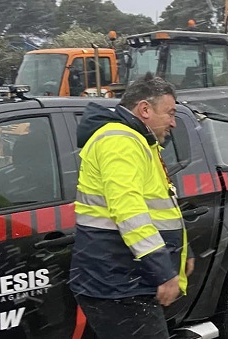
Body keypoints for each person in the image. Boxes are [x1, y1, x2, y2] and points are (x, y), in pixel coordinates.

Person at [70, 73, 195, 339]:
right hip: (118, 284)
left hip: (122, 280)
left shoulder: (138, 141)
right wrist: (163, 270)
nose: (174, 122)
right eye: (170, 113)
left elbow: (159, 208)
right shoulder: (120, 142)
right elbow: (129, 212)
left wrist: (184, 251)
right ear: (145, 109)